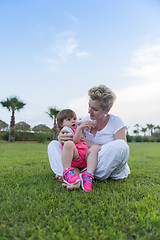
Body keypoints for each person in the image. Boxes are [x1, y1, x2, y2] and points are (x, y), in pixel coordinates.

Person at [48, 84, 130, 191]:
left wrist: (89, 143)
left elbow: (121, 153)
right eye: (89, 106)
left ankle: (81, 175)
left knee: (121, 145)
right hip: (83, 161)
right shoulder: (85, 121)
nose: (89, 111)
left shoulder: (116, 121)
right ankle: (73, 176)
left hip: (102, 162)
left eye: (94, 109)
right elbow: (69, 130)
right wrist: (61, 137)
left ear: (107, 110)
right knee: (53, 145)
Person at [56, 109, 101, 191]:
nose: (73, 121)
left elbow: (79, 123)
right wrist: (80, 128)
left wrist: (84, 123)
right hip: (75, 156)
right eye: (68, 120)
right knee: (69, 144)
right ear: (61, 124)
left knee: (95, 149)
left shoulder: (74, 128)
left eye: (74, 119)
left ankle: (87, 176)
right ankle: (66, 172)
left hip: (83, 158)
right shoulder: (66, 130)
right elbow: (75, 140)